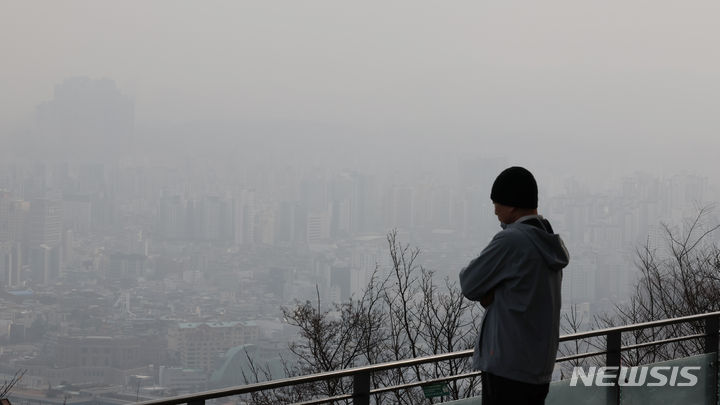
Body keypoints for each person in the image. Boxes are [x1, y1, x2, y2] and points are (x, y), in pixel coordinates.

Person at [459, 166, 569, 405]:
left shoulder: (512, 240)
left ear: (511, 204)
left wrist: (491, 291)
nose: (495, 211)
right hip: (538, 368)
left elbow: (469, 283)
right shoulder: (548, 241)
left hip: (507, 367)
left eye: (496, 203)